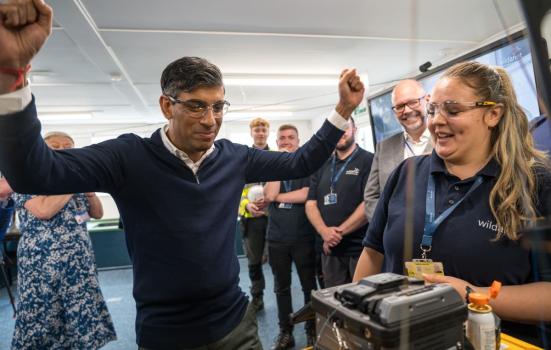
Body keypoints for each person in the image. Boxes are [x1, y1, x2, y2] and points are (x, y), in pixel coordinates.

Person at [0, 2, 366, 348]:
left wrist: (342, 110)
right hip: (166, 335)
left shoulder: (234, 157)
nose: (210, 120)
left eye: (218, 106)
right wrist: (12, 77)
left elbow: (299, 163)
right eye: (196, 106)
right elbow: (34, 173)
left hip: (236, 326)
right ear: (166, 106)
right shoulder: (128, 157)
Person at [354, 61, 551, 346]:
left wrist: (469, 294)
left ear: (493, 114)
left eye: (453, 110)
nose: (435, 121)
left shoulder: (535, 184)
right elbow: (372, 255)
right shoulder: (407, 172)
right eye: (433, 109)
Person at [10, 131, 116, 349]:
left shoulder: (75, 183)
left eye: (68, 146)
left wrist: (90, 193)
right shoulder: (25, 179)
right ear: (42, 152)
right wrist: (74, 180)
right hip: (42, 263)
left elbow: (96, 213)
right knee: (44, 314)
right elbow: (43, 211)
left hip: (78, 261)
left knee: (81, 310)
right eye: (55, 146)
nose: (62, 150)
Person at [263, 124, 317, 349]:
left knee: (308, 287)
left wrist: (278, 197)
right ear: (277, 143)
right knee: (281, 288)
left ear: (298, 141)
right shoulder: (272, 166)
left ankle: (311, 328)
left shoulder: (306, 166)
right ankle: (286, 332)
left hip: (303, 236)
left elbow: (306, 194)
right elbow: (269, 194)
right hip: (277, 238)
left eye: (290, 138)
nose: (286, 141)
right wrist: (278, 163)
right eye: (282, 138)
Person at [305, 117, 374, 287]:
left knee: (365, 300)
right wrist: (324, 232)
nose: (340, 133)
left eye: (345, 128)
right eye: (336, 129)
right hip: (330, 250)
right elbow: (310, 203)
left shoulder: (370, 160)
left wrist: (337, 234)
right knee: (335, 302)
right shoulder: (321, 164)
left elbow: (369, 203)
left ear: (355, 130)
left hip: (361, 248)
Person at [363, 79, 432, 221]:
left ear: (427, 100)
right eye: (399, 106)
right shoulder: (384, 147)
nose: (406, 110)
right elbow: (371, 196)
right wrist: (385, 227)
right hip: (396, 236)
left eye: (413, 102)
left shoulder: (445, 140)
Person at [238, 117, 271, 311]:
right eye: (256, 130)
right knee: (254, 261)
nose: (260, 133)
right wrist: (246, 205)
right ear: (251, 133)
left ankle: (281, 292)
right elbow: (235, 191)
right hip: (251, 220)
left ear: (268, 132)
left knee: (280, 260)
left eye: (263, 129)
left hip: (274, 217)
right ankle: (257, 295)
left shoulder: (276, 156)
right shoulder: (244, 158)